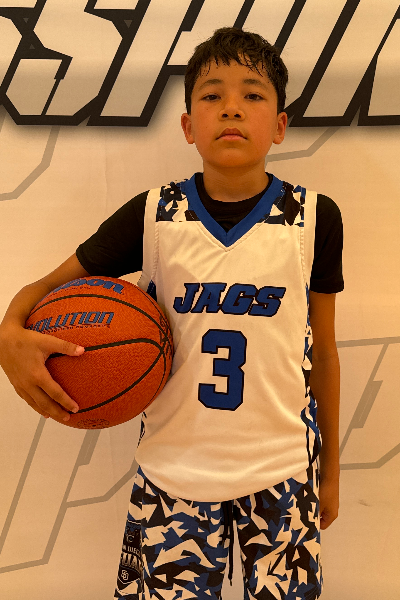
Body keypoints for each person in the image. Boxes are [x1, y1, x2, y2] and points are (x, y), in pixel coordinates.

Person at [0, 28, 343, 600]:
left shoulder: (314, 218)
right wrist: (9, 334)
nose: (231, 107)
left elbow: (324, 353)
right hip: (173, 473)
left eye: (253, 94)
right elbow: (43, 290)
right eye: (211, 95)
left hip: (283, 471)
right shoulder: (154, 215)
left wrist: (330, 471)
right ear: (187, 126)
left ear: (280, 125)